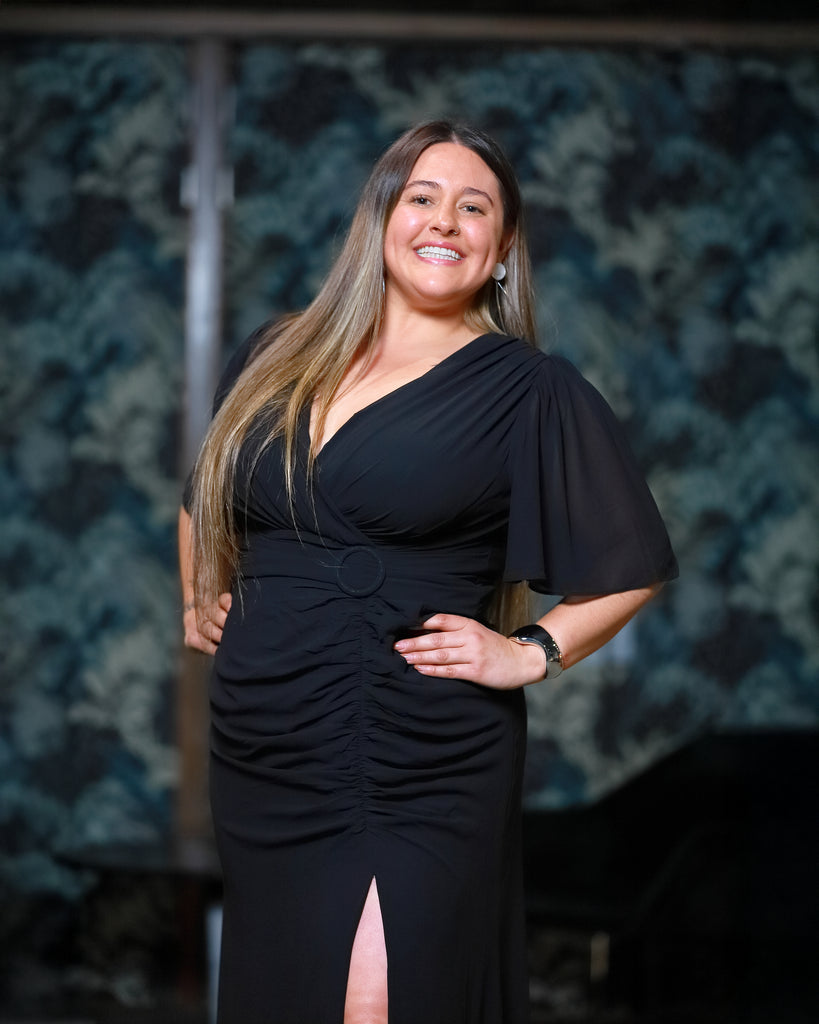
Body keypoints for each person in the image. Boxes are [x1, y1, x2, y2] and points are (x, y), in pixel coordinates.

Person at [178, 120, 677, 1024]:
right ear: (381, 220)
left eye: (473, 207)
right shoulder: (272, 355)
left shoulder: (530, 391)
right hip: (266, 738)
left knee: (380, 998)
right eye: (421, 197)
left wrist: (528, 652)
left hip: (421, 746)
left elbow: (630, 563)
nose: (444, 220)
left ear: (502, 248)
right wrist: (199, 597)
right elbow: (203, 494)